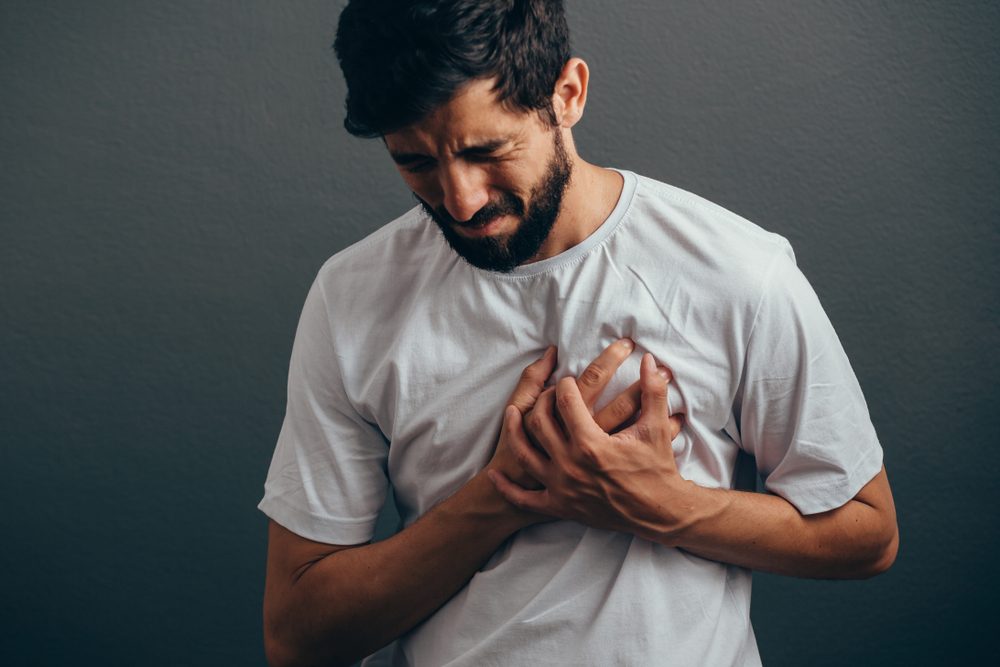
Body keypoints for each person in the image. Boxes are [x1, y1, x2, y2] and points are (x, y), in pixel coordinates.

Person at [258, 1, 899, 665]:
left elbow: (867, 533)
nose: (461, 201)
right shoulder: (353, 296)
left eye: (488, 150)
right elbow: (298, 633)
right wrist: (500, 496)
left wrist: (663, 504)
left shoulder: (738, 272)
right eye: (414, 162)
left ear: (568, 94)